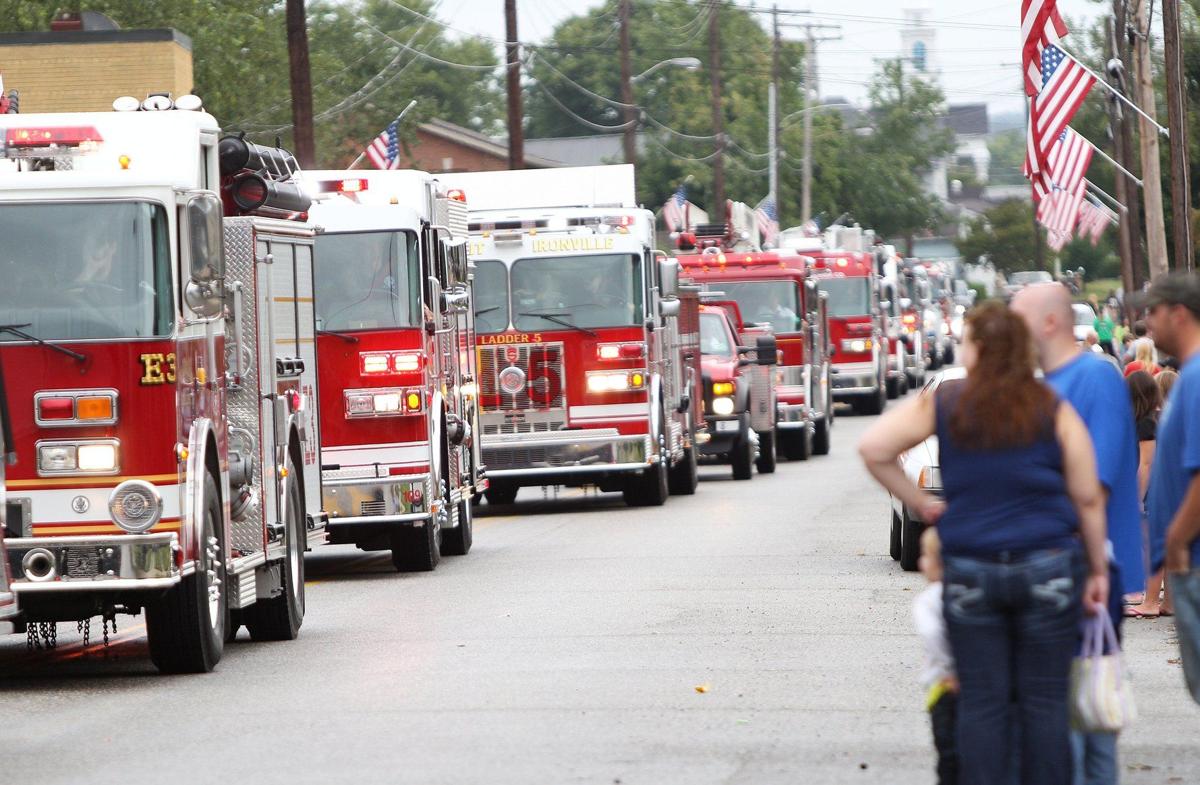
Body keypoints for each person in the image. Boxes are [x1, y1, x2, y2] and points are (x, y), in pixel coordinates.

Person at [860, 301, 1109, 785]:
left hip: (971, 566)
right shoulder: (1050, 404)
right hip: (1048, 563)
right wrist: (1097, 568)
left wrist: (926, 505)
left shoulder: (948, 400)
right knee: (1046, 701)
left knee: (982, 700)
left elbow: (875, 449)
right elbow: (1087, 495)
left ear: (976, 349)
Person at [1012, 283, 1142, 785]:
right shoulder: (1041, 384)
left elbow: (1099, 481)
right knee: (1054, 713)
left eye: (1019, 318)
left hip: (1086, 569)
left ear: (1049, 322)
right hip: (1047, 569)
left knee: (1086, 718)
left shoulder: (1096, 376)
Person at [1135, 273, 1200, 704]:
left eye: (1152, 312)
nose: (1146, 323)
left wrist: (1175, 540)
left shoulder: (1195, 380)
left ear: (1179, 313)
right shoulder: (1186, 376)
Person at [913, 527, 958, 785]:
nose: (921, 562)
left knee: (948, 754)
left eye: (925, 556)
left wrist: (951, 668)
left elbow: (931, 634)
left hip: (943, 686)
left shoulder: (929, 600)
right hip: (981, 687)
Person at [1125, 371, 1165, 619]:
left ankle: (1149, 601)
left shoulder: (1145, 423)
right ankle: (1166, 601)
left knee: (1151, 546)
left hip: (1149, 491)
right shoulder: (1153, 420)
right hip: (1158, 488)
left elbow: (1146, 464)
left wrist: (1136, 497)